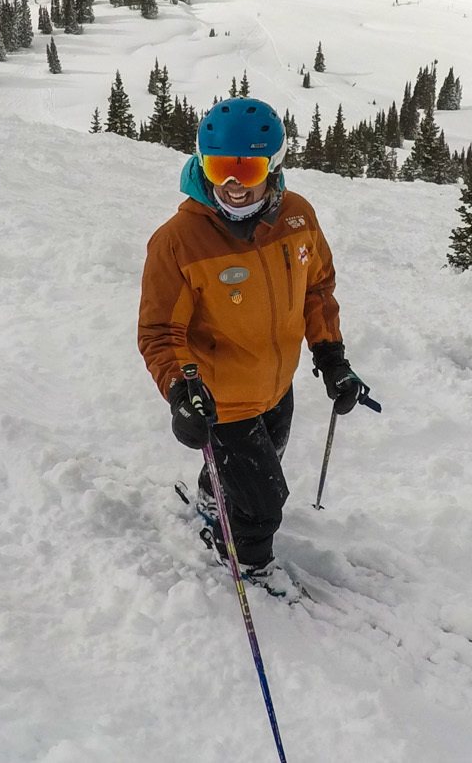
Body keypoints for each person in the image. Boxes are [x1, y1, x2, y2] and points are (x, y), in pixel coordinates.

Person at [137, 99, 377, 588]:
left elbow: (317, 289)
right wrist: (182, 393)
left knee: (260, 470)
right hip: (220, 399)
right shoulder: (179, 240)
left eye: (249, 168)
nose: (233, 184)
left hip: (277, 385)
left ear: (277, 163)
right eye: (220, 167)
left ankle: (213, 495)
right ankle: (248, 562)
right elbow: (161, 332)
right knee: (264, 503)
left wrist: (332, 358)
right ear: (201, 162)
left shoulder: (297, 217)